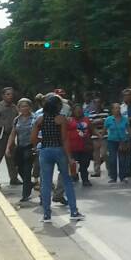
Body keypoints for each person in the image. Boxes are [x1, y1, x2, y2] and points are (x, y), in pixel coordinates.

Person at [31, 95, 83, 223]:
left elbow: (33, 138)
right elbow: (65, 139)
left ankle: (47, 215)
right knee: (66, 180)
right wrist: (70, 157)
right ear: (57, 106)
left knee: (46, 183)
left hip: (45, 150)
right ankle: (73, 211)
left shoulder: (40, 120)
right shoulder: (61, 119)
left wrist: (38, 145)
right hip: (58, 149)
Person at [6, 98, 36, 203]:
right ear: (19, 108)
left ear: (30, 107)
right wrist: (8, 147)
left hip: (30, 147)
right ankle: (29, 184)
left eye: (26, 106)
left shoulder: (34, 118)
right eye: (22, 106)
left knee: (27, 170)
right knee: (19, 168)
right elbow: (13, 134)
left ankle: (25, 194)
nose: (24, 108)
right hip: (20, 147)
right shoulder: (17, 119)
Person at [0, 87, 20, 186]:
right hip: (0, 135)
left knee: (12, 158)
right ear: (3, 96)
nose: (10, 96)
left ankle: (13, 178)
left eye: (11, 94)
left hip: (10, 135)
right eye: (7, 94)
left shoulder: (15, 107)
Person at [66, 103, 94, 186]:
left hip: (85, 146)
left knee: (84, 164)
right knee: (73, 163)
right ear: (73, 111)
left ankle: (85, 179)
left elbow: (91, 130)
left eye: (80, 109)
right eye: (76, 110)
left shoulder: (86, 119)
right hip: (72, 146)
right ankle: (74, 176)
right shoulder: (69, 120)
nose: (78, 111)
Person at [103, 103, 130, 183]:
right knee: (112, 159)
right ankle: (113, 177)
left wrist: (129, 140)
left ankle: (123, 176)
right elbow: (104, 131)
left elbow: (129, 130)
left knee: (122, 160)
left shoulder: (125, 119)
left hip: (122, 141)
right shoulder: (108, 119)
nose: (117, 110)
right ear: (112, 110)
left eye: (118, 108)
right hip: (112, 141)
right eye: (115, 108)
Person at [86, 97, 108, 177]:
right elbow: (90, 124)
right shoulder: (91, 113)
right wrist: (98, 121)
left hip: (104, 135)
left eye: (99, 102)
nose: (97, 104)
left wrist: (96, 122)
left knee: (105, 154)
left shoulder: (106, 112)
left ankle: (110, 170)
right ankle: (97, 171)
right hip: (95, 137)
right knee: (96, 155)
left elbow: (107, 122)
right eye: (95, 103)